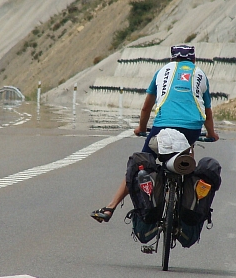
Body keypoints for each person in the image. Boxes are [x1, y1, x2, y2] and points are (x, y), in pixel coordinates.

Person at [91, 44, 219, 222]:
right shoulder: (200, 74)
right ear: (193, 59)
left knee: (140, 163)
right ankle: (187, 205)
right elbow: (207, 112)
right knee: (187, 159)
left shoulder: (162, 72)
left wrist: (141, 129)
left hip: (162, 126)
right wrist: (212, 134)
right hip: (191, 129)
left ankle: (110, 207)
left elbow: (146, 108)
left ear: (172, 59)